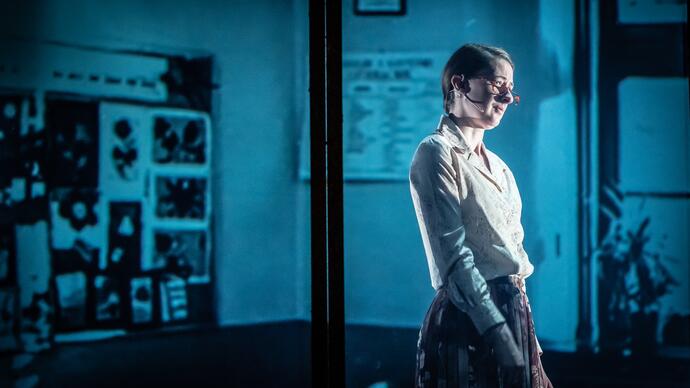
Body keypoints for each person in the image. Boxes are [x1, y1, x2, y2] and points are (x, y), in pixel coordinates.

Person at [409, 43, 553, 387]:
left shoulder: (501, 169)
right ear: (459, 83)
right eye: (497, 85)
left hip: (513, 314)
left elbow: (514, 257)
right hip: (467, 320)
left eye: (510, 90)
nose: (506, 98)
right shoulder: (436, 153)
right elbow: (454, 259)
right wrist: (501, 338)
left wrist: (531, 350)